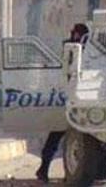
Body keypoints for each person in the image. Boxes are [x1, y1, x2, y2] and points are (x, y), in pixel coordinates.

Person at [36, 23, 90, 183]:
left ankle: (69, 172)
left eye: (76, 33)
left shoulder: (89, 50)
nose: (74, 36)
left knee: (76, 142)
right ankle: (44, 168)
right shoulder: (70, 48)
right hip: (66, 98)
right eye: (74, 33)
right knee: (56, 137)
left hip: (80, 100)